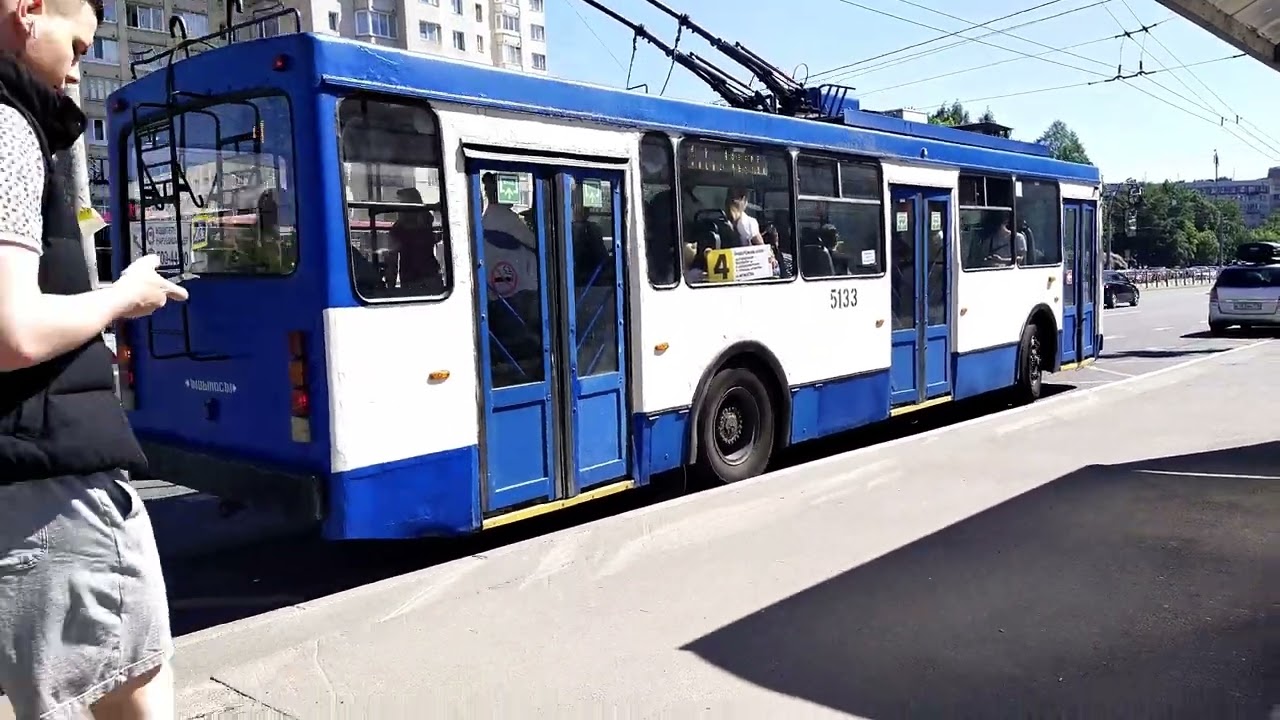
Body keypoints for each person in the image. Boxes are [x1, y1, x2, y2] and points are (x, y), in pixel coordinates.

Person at [0, 0, 188, 716]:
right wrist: (121, 296)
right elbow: (13, 332)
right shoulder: (8, 125)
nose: (78, 70)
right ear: (28, 12)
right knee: (130, 691)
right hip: (48, 487)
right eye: (78, 47)